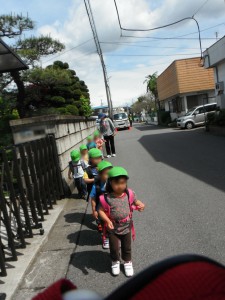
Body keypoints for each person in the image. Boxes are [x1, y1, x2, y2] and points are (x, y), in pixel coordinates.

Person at [99, 166, 145, 277]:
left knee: (126, 246)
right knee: (114, 247)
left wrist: (140, 204)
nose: (121, 186)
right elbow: (100, 211)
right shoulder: (106, 198)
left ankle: (127, 262)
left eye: (123, 183)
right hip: (113, 227)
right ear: (110, 183)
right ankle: (115, 261)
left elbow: (135, 201)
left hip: (126, 225)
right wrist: (106, 220)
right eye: (117, 183)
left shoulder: (129, 194)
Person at [90, 160, 113, 249]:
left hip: (112, 208)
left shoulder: (112, 183)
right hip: (101, 209)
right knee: (104, 224)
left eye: (110, 173)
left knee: (114, 223)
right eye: (106, 174)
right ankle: (106, 238)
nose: (109, 176)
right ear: (100, 174)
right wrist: (94, 210)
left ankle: (115, 237)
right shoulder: (97, 185)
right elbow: (93, 198)